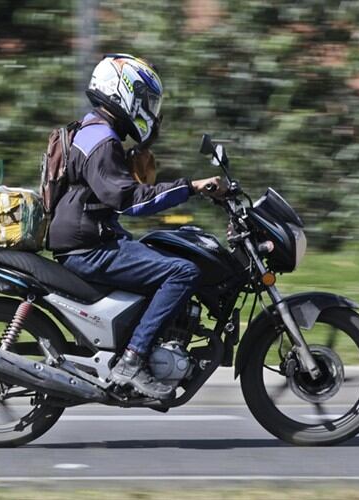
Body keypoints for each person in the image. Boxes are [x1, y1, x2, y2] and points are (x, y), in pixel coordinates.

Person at [48, 54, 226, 400]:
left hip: (90, 237)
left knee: (157, 252)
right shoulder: (102, 139)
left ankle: (138, 342)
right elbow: (128, 200)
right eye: (144, 99)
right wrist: (190, 187)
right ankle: (133, 360)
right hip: (89, 246)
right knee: (182, 272)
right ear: (121, 91)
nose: (149, 109)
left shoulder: (93, 130)